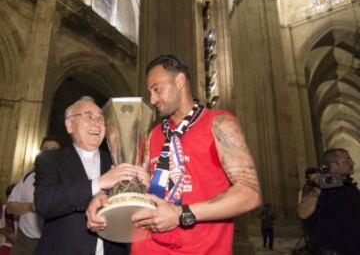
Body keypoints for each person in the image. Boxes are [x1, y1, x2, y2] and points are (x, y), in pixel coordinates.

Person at [86, 55, 262, 254]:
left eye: (157, 89)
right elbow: (134, 179)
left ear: (179, 81)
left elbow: (249, 193)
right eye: (149, 92)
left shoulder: (219, 124)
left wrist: (181, 213)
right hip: (146, 248)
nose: (152, 100)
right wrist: (104, 196)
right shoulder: (153, 134)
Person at [34, 96, 147, 255]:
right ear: (69, 125)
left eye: (101, 118)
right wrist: (99, 182)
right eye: (88, 116)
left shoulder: (115, 162)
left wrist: (143, 185)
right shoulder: (50, 159)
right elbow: (45, 202)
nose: (97, 122)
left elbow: (132, 210)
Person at [297, 148, 360, 254]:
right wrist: (318, 188)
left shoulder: (348, 185)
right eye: (347, 161)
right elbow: (302, 213)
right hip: (333, 250)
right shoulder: (316, 186)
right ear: (333, 165)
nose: (352, 163)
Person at [7, 136, 61, 255]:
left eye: (53, 149)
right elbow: (9, 207)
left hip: (52, 244)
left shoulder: (66, 181)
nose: (48, 153)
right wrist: (30, 207)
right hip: (23, 242)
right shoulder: (28, 177)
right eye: (45, 149)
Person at [0, 184, 17, 255]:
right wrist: (8, 235)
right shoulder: (4, 209)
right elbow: (1, 227)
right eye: (9, 197)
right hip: (7, 244)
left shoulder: (26, 212)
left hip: (21, 246)